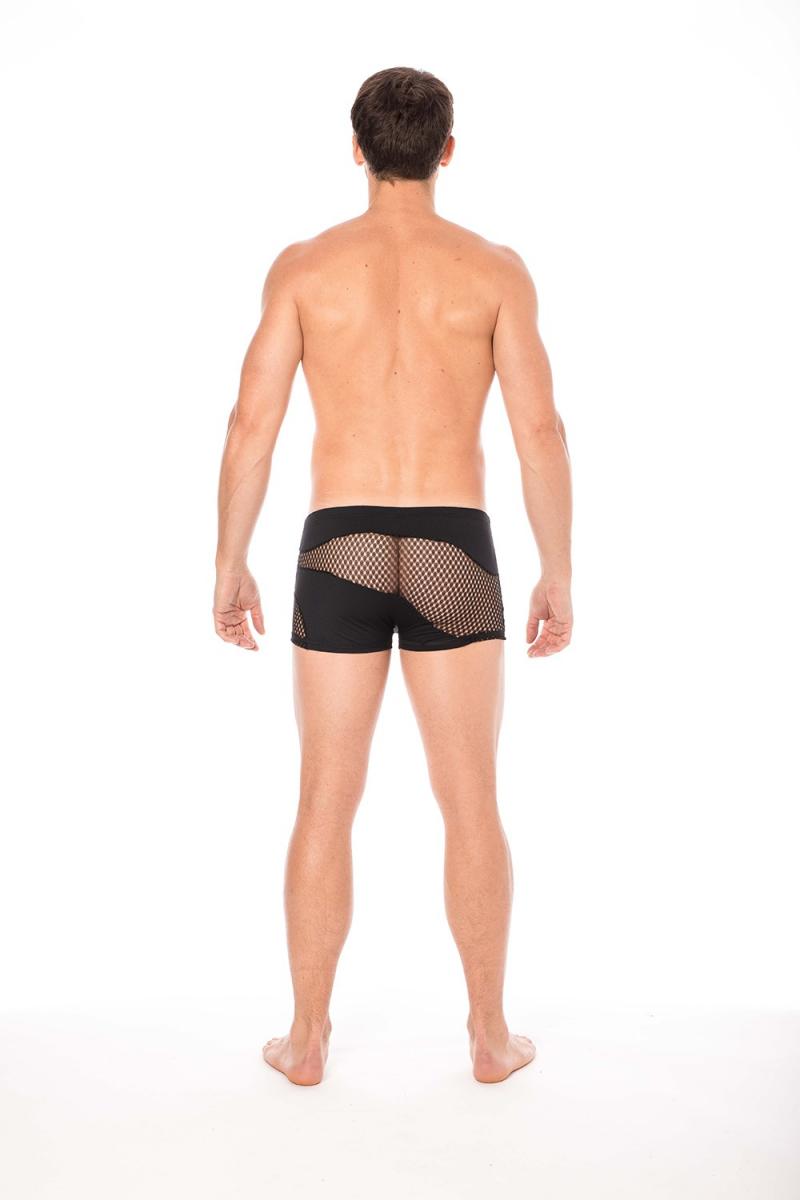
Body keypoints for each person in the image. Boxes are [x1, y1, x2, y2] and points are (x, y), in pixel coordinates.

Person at [213, 66, 573, 1086]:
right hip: (453, 543)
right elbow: (539, 432)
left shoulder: (305, 268)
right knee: (471, 800)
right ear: (446, 150)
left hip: (342, 541)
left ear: (356, 148)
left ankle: (306, 1039)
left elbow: (251, 426)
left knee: (324, 799)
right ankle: (490, 1038)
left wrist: (230, 560)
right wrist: (556, 569)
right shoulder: (493, 271)